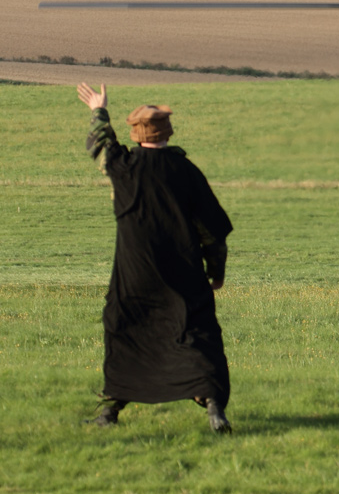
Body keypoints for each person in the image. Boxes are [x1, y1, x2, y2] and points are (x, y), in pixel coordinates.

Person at [77, 82, 235, 433]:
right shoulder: (186, 171)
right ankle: (213, 406)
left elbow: (101, 144)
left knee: (125, 331)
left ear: (135, 135)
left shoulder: (123, 167)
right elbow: (212, 230)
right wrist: (216, 271)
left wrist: (98, 110)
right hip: (184, 274)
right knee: (197, 332)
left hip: (133, 275)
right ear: (168, 133)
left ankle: (109, 412)